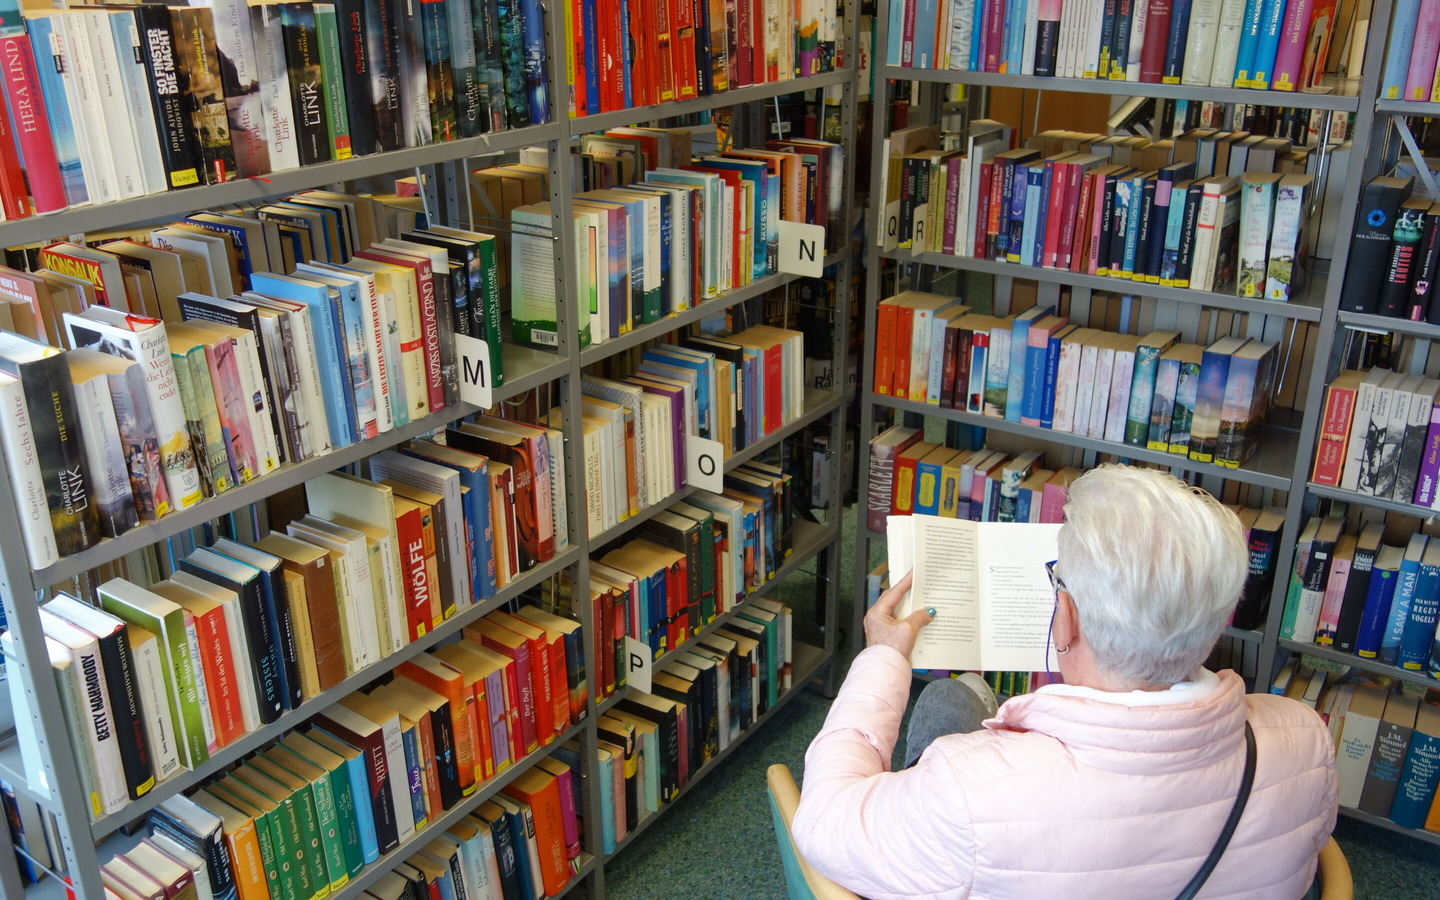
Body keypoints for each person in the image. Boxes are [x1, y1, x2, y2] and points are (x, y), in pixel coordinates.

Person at [793, 465, 1337, 899]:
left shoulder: (966, 793)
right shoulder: (1304, 737)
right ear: (1218, 618)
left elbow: (825, 820)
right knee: (952, 702)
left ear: (1067, 617)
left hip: (975, 821)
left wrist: (883, 658)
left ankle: (981, 702)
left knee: (943, 701)